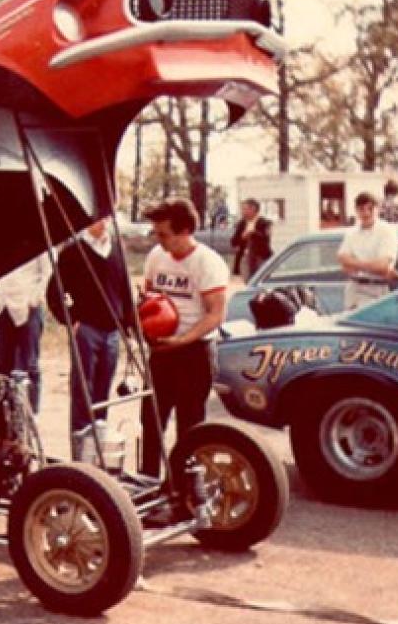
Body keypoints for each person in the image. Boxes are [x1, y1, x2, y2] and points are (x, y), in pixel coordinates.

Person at [139, 199, 230, 477]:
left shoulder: (207, 262)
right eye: (156, 233)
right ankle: (148, 480)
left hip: (194, 352)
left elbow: (216, 315)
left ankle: (183, 487)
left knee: (189, 427)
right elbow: (149, 296)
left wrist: (182, 340)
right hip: (161, 350)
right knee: (151, 419)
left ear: (185, 231)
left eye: (164, 234)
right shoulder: (157, 256)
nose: (159, 239)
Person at [46, 217, 132, 459]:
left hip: (112, 332)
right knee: (83, 391)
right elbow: (55, 292)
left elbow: (125, 290)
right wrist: (71, 319)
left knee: (103, 393)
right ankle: (79, 455)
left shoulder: (117, 248)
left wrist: (129, 326)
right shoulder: (73, 251)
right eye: (97, 218)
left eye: (106, 218)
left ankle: (98, 451)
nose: (102, 223)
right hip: (87, 331)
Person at [0, 253, 51, 411]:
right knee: (0, 366)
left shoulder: (37, 239)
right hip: (2, 306)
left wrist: (35, 297)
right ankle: (0, 416)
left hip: (28, 306)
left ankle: (31, 414)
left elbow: (48, 271)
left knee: (29, 364)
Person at [338, 191, 398, 310]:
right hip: (354, 294)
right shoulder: (351, 233)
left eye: (370, 209)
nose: (366, 213)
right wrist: (375, 267)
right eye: (361, 209)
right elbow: (344, 264)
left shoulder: (387, 231)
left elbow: (382, 266)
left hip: (378, 293)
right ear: (356, 211)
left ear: (377, 209)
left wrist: (355, 264)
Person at [230, 198, 273, 281]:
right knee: (249, 282)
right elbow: (233, 242)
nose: (242, 212)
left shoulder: (264, 223)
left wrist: (253, 233)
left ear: (253, 209)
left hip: (260, 259)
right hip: (245, 260)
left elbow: (265, 241)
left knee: (261, 281)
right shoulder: (241, 224)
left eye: (245, 209)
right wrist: (242, 237)